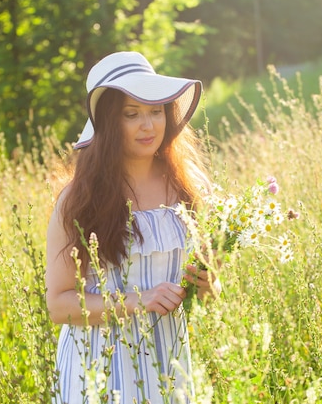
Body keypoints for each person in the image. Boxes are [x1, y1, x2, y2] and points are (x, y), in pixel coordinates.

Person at [45, 51, 221, 404]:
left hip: (168, 365)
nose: (148, 125)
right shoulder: (79, 199)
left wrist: (208, 284)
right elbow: (58, 305)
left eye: (155, 111)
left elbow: (209, 288)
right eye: (132, 114)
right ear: (109, 123)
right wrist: (138, 301)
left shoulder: (188, 187)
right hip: (98, 369)